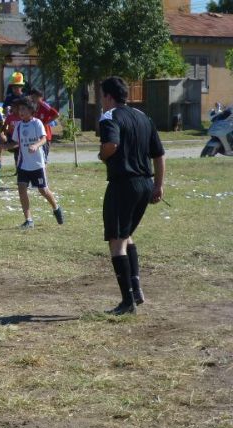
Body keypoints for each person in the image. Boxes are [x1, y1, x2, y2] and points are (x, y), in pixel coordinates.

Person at [98, 76, 165, 315]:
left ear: (108, 96)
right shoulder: (143, 117)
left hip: (123, 184)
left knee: (117, 243)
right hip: (145, 184)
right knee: (127, 236)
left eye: (101, 96)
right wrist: (158, 185)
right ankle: (136, 290)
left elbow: (112, 145)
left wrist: (102, 154)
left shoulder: (109, 117)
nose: (101, 101)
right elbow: (158, 154)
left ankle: (127, 303)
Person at [3, 97, 64, 229]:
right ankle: (29, 220)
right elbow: (16, 143)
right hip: (23, 165)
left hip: (37, 164)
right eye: (19, 109)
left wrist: (36, 145)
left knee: (43, 190)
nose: (21, 112)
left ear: (31, 110)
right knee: (21, 189)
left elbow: (43, 139)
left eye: (24, 109)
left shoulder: (37, 123)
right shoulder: (18, 125)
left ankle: (56, 208)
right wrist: (4, 146)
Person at [29, 88, 60, 161]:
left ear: (39, 97)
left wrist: (45, 123)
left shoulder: (44, 105)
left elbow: (56, 114)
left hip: (45, 135)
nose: (32, 98)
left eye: (34, 97)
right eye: (31, 97)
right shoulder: (33, 106)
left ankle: (44, 172)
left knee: (44, 158)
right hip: (36, 136)